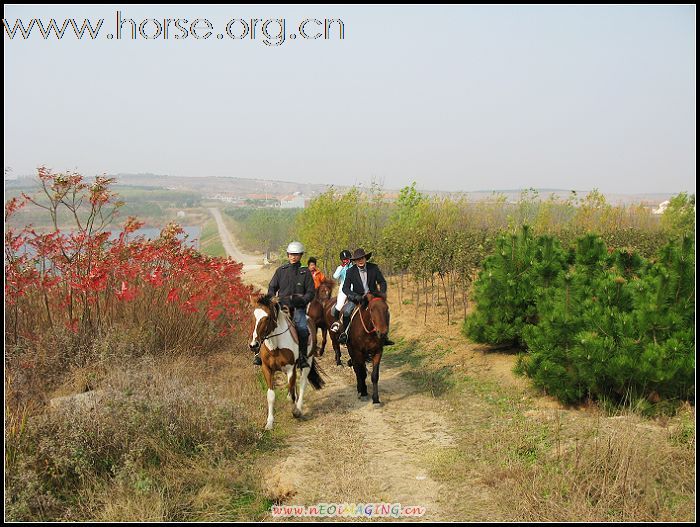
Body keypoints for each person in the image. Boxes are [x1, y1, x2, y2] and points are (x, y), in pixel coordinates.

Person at [253, 241, 316, 368]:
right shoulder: (281, 270)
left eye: (297, 254)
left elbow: (311, 292)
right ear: (288, 254)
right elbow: (272, 287)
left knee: (303, 329)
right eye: (292, 254)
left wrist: (303, 300)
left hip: (298, 308)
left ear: (301, 255)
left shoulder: (305, 272)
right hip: (281, 307)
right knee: (265, 323)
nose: (294, 256)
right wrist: (271, 300)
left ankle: (302, 357)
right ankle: (259, 354)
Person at [336, 248, 394, 346]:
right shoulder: (350, 271)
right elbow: (345, 288)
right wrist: (354, 296)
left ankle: (384, 335)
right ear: (355, 261)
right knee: (346, 312)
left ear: (365, 258)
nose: (360, 260)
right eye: (358, 259)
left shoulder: (374, 268)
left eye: (362, 258)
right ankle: (345, 334)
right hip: (357, 298)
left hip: (373, 297)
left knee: (385, 310)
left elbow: (382, 282)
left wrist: (382, 294)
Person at [329, 250, 352, 332]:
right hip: (344, 289)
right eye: (344, 259)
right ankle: (336, 323)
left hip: (354, 288)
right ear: (342, 260)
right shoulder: (340, 268)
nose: (346, 261)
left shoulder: (354, 266)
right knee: (339, 305)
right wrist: (342, 267)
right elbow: (335, 276)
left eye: (347, 259)